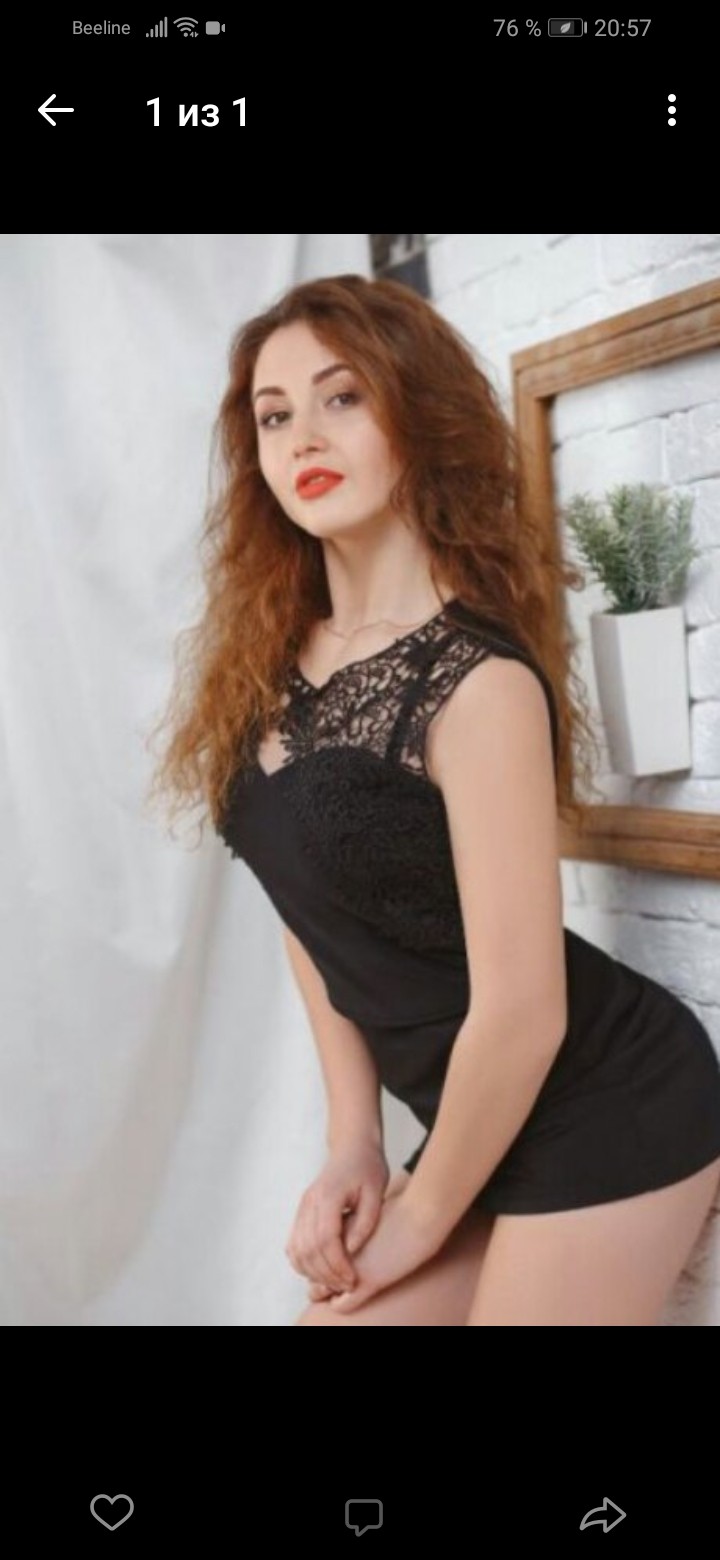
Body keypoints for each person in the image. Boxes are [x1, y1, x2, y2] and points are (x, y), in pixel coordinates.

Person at [146, 273, 720, 1325]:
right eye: (275, 416)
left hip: (603, 1101)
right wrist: (355, 1142)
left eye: (343, 397)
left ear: (418, 413)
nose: (304, 438)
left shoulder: (476, 682)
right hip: (474, 1120)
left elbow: (523, 1013)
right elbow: (312, 912)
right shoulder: (271, 670)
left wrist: (419, 1219)